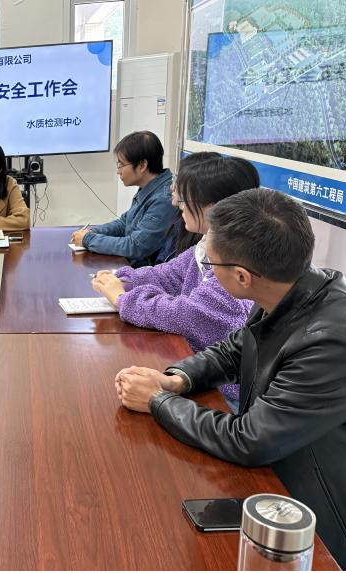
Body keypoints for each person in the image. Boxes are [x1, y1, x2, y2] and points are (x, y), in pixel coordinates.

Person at [113, 188, 346, 571]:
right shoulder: (293, 289)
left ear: (242, 277)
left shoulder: (331, 344)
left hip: (327, 529)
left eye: (211, 262)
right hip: (282, 486)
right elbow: (234, 349)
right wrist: (178, 380)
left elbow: (250, 439)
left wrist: (157, 401)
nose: (207, 270)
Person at [92, 155, 259, 410]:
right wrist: (123, 279)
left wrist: (122, 299)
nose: (175, 201)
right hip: (196, 371)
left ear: (215, 207)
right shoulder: (207, 244)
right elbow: (168, 275)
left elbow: (187, 314)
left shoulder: (237, 261)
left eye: (184, 197)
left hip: (225, 395)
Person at [72, 131, 174, 267]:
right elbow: (124, 223)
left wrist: (89, 239)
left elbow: (136, 246)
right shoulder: (149, 187)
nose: (118, 171)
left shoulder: (163, 199)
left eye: (121, 165)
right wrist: (93, 232)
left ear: (142, 165)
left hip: (144, 273)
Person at [153, 151, 221, 264]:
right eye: (175, 178)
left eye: (178, 181)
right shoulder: (181, 219)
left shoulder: (208, 243)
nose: (172, 187)